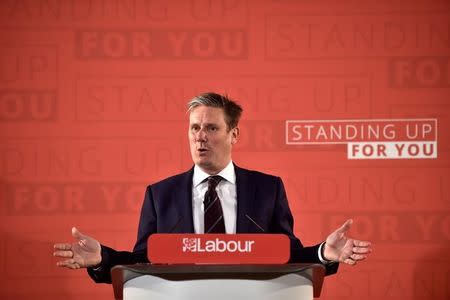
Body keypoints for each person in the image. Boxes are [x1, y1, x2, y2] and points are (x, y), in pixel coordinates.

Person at [54, 92, 372, 283]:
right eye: (194, 127)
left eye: (210, 128)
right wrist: (102, 259)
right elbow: (143, 262)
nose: (199, 136)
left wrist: (324, 253)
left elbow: (284, 255)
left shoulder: (268, 189)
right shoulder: (160, 194)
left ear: (234, 135)